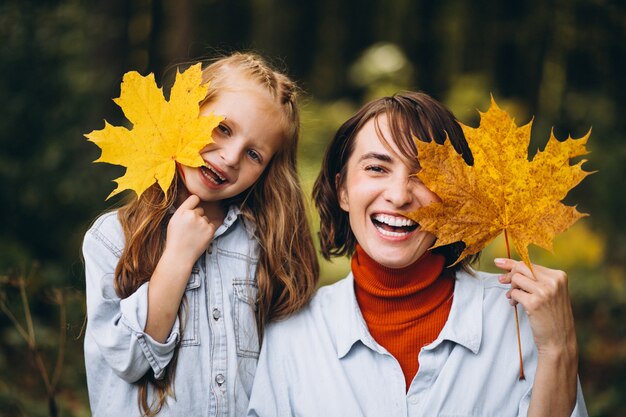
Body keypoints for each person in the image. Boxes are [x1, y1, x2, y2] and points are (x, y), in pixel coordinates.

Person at [247, 91, 588, 417]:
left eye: (426, 175)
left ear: (456, 197)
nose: (399, 195)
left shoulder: (521, 321)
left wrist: (559, 349)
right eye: (377, 168)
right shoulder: (292, 335)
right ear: (343, 191)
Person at [82, 52, 319, 417]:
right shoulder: (112, 238)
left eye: (254, 153)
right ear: (186, 113)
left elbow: (288, 374)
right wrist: (177, 256)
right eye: (223, 128)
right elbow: (128, 360)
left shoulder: (263, 246)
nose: (230, 157)